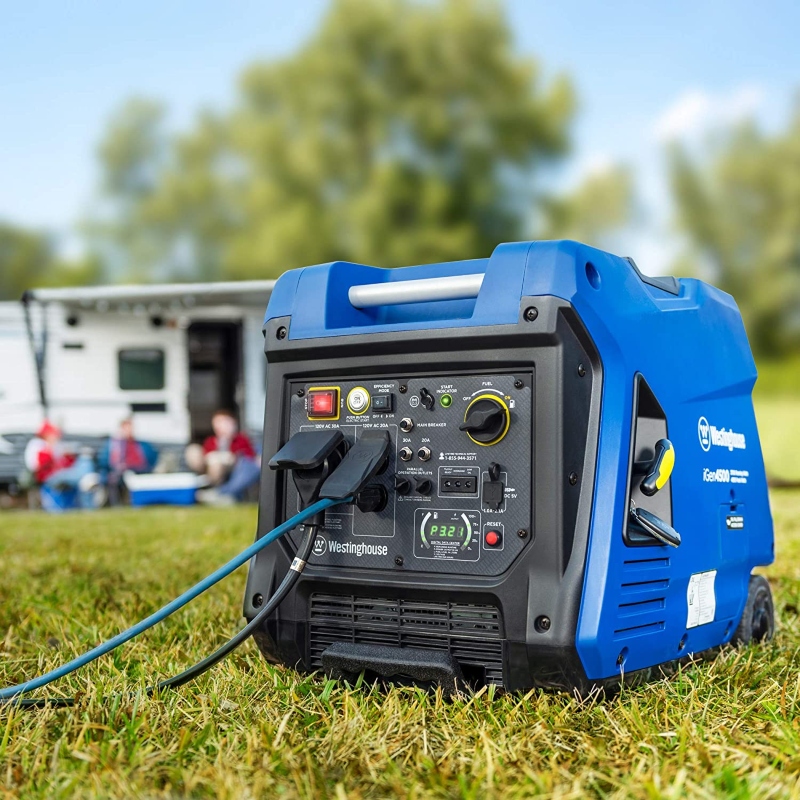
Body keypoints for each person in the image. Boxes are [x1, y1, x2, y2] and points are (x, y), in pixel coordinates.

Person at [186, 409, 260, 505]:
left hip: (231, 468)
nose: (221, 426)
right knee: (194, 450)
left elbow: (248, 456)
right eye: (218, 423)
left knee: (217, 462)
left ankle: (216, 493)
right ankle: (203, 488)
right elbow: (206, 454)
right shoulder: (211, 440)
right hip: (209, 466)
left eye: (224, 422)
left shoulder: (240, 439)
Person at [99, 417, 158, 505]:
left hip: (141, 470)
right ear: (121, 429)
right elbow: (105, 462)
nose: (130, 431)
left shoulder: (142, 444)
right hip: (121, 472)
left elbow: (152, 458)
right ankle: (127, 502)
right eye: (127, 428)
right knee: (124, 476)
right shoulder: (113, 445)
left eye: (131, 428)